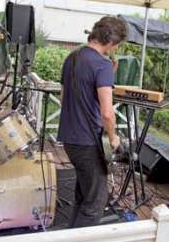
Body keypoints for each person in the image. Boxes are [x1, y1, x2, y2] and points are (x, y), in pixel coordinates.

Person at [57, 16, 126, 228]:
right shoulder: (102, 65)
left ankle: (71, 234)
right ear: (111, 42)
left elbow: (64, 96)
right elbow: (107, 112)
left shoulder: (72, 57)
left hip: (69, 139)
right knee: (95, 203)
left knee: (83, 194)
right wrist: (113, 138)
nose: (114, 50)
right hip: (87, 142)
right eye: (116, 46)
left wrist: (107, 75)